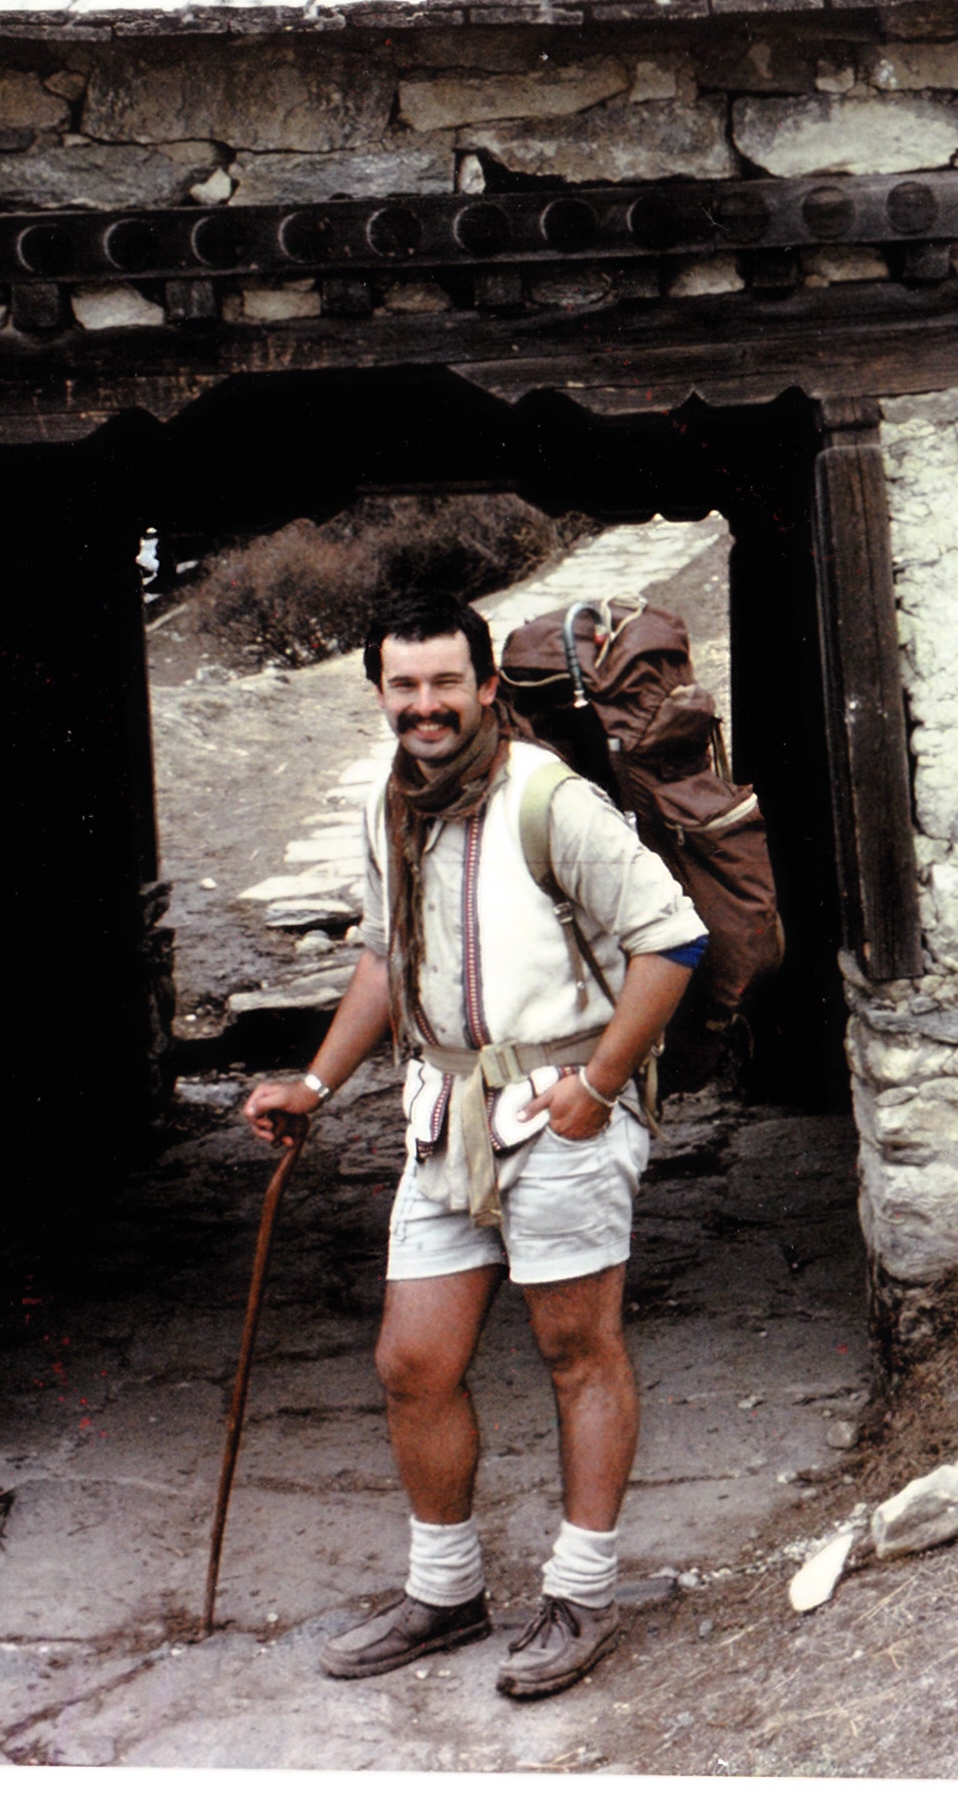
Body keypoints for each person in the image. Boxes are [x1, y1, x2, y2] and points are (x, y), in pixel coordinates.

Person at [240, 590, 706, 1702]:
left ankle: (582, 1596)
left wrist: (598, 1088)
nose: (426, 704)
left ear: (486, 687)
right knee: (413, 1362)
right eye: (404, 685)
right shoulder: (389, 805)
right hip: (444, 1118)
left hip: (558, 1108)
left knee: (577, 1351)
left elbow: (673, 938)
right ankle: (445, 1593)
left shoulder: (551, 798)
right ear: (380, 693)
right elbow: (384, 957)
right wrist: (314, 1082)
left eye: (446, 681)